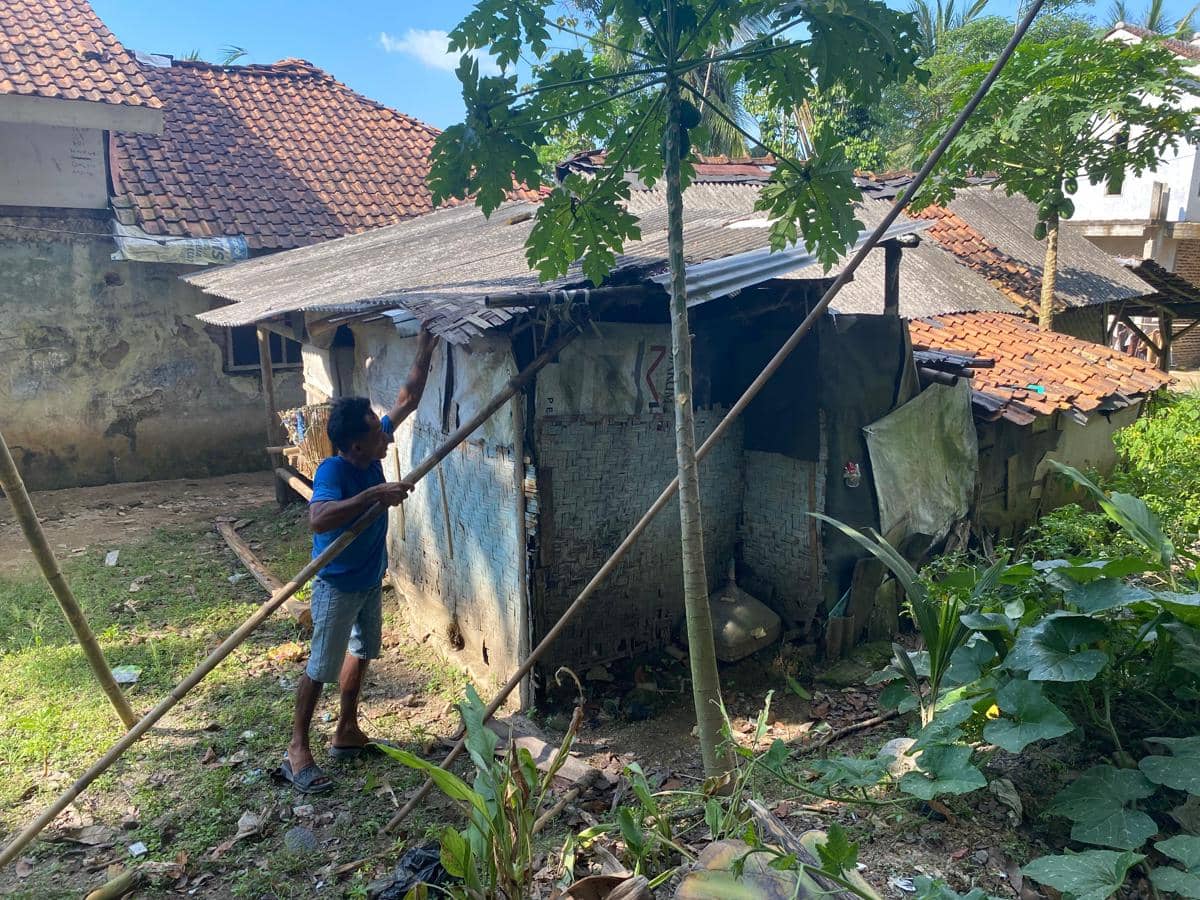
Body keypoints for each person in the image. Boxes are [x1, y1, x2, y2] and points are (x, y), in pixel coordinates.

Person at [280, 326, 438, 793]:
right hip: (338, 583)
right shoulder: (335, 469)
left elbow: (406, 401)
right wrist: (375, 493)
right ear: (355, 448)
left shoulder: (368, 449)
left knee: (362, 651)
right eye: (376, 435)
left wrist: (425, 350)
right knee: (320, 667)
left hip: (370, 578)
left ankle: (346, 731)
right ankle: (296, 750)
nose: (385, 438)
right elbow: (319, 518)